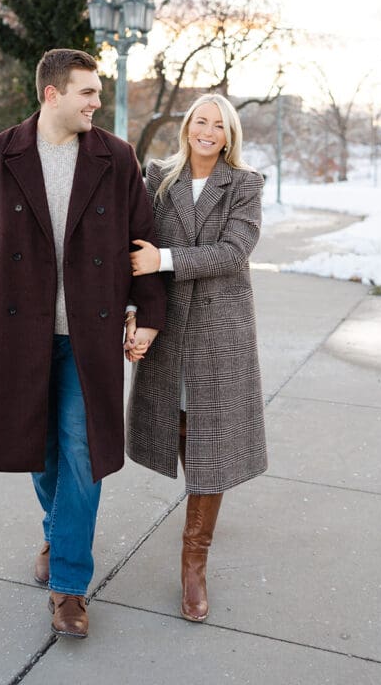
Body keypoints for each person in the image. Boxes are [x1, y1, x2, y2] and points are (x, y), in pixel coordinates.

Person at [0, 48, 166, 639]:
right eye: (87, 92)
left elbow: (142, 239)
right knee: (38, 451)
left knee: (80, 451)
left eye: (97, 92)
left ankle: (69, 585)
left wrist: (148, 314)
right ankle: (57, 530)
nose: (97, 102)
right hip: (24, 334)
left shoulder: (116, 157)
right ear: (52, 94)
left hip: (90, 335)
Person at [125, 93, 267, 623]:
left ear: (229, 136)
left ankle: (194, 563)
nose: (207, 131)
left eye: (218, 125)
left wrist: (162, 259)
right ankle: (203, 509)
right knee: (181, 425)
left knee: (212, 442)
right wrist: (134, 310)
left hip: (221, 330)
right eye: (200, 121)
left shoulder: (245, 184)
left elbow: (233, 252)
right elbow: (133, 247)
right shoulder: (158, 178)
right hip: (169, 324)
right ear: (187, 127)